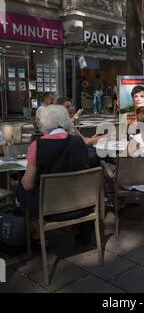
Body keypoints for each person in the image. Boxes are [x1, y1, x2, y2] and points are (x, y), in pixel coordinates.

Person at [18, 105, 92, 244]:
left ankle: (38, 233)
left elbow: (27, 185)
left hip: (49, 207)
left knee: (21, 189)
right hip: (81, 203)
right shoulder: (78, 142)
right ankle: (82, 230)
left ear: (44, 123)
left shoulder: (37, 145)